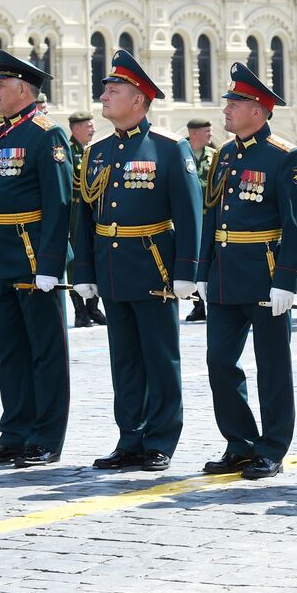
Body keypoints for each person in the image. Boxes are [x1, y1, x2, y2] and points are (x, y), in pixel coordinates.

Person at [74, 49, 202, 473]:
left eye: (114, 91)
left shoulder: (168, 147)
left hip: (153, 267)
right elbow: (84, 215)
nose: (104, 97)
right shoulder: (97, 150)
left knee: (160, 358)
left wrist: (187, 271)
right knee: (125, 360)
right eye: (105, 90)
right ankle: (130, 438)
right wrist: (84, 271)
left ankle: (160, 439)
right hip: (112, 267)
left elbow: (189, 214)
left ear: (139, 100)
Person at [196, 63, 297, 480]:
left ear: (257, 111)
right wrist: (203, 269)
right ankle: (240, 443)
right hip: (226, 276)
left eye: (234, 103)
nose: (226, 109)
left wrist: (287, 280)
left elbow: (296, 224)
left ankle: (272, 447)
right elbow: (212, 214)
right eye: (227, 102)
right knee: (219, 362)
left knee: (272, 366)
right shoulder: (225, 155)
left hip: (265, 275)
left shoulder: (285, 156)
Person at [0, 52, 72, 469]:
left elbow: (58, 205)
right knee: (10, 353)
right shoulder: (3, 135)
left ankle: (45, 438)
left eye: (0, 85)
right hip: (2, 259)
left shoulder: (47, 134)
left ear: (23, 90)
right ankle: (14, 433)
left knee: (45, 352)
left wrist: (50, 264)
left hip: (31, 260)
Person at [64, 111, 107, 329]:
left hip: (91, 209)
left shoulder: (93, 151)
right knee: (75, 260)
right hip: (73, 211)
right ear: (76, 128)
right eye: (88, 126)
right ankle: (80, 311)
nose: (93, 129)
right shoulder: (67, 151)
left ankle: (93, 307)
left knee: (94, 254)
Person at [183, 117, 219, 322]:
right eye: (207, 131)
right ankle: (198, 305)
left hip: (208, 218)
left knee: (210, 259)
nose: (211, 135)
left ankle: (211, 300)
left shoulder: (214, 156)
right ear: (194, 133)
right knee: (192, 260)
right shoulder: (180, 153)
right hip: (188, 219)